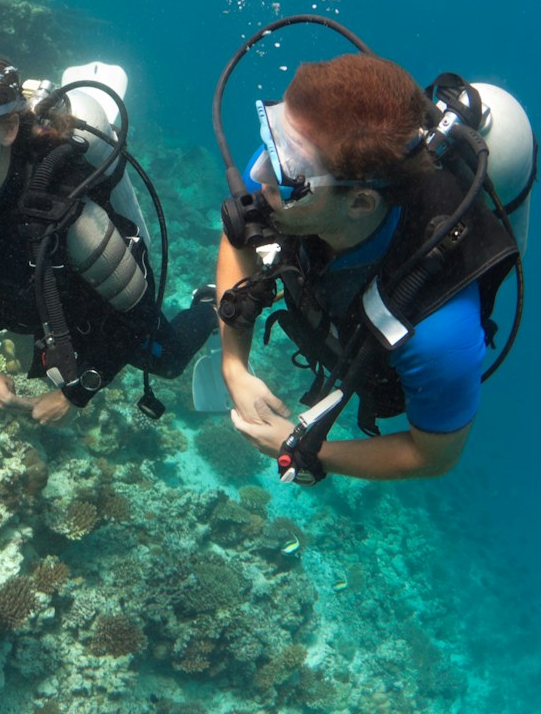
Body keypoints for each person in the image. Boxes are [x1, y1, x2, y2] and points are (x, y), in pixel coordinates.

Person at [214, 52, 522, 482]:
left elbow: (434, 455)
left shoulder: (439, 334)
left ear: (360, 202)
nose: (259, 171)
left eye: (289, 169)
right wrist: (233, 364)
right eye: (273, 138)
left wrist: (306, 449)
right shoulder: (301, 157)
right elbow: (239, 233)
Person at [0, 45, 217, 426]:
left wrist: (77, 392)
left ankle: (211, 305)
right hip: (7, 293)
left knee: (168, 360)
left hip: (80, 302)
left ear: (8, 129)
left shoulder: (67, 213)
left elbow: (139, 314)